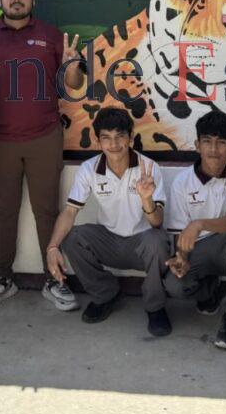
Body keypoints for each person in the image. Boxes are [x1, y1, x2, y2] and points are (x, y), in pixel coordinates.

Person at [0, 0, 85, 311]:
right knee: (4, 212)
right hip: (0, 140)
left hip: (44, 137)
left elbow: (72, 85)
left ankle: (54, 280)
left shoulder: (51, 36)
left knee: (46, 210)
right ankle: (2, 278)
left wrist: (72, 65)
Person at [45, 107, 171, 336]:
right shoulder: (89, 168)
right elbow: (70, 211)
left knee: (158, 240)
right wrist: (52, 246)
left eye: (120, 137)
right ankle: (106, 294)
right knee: (72, 237)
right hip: (109, 240)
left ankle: (156, 307)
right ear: (98, 141)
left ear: (130, 138)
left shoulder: (149, 168)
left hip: (142, 243)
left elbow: (157, 223)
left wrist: (146, 199)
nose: (114, 145)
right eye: (106, 138)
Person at [162, 110, 226, 350]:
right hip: (199, 251)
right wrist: (182, 258)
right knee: (174, 285)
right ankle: (209, 292)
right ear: (197, 145)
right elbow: (178, 234)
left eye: (221, 143)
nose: (213, 150)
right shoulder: (182, 182)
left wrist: (200, 223)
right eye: (207, 142)